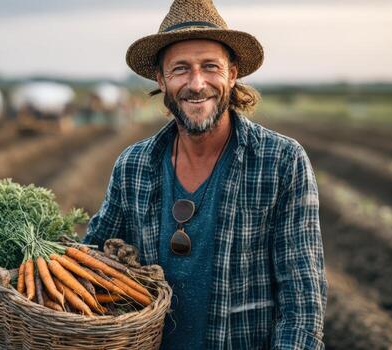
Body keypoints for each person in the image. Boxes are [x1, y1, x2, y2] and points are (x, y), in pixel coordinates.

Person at [83, 0, 327, 348]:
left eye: (209, 66)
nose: (197, 84)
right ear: (161, 80)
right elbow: (92, 258)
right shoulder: (134, 166)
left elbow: (302, 302)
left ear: (232, 73)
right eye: (180, 69)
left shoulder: (281, 162)